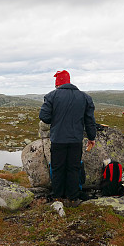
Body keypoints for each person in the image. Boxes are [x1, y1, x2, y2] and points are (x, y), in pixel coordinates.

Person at [39, 70, 96, 207]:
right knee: (74, 168)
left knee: (58, 168)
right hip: (76, 140)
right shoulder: (85, 97)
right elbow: (89, 121)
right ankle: (73, 198)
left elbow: (44, 117)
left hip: (58, 139)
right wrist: (91, 137)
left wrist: (57, 119)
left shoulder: (51, 96)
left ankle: (57, 197)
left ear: (57, 83)